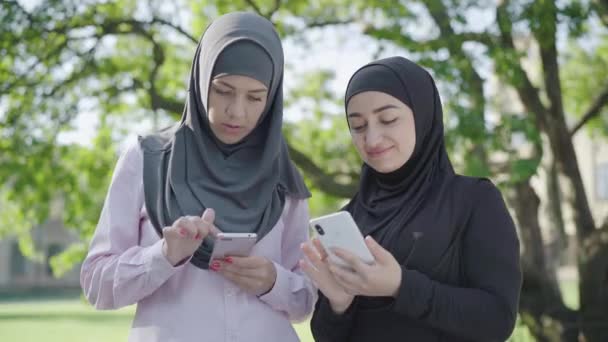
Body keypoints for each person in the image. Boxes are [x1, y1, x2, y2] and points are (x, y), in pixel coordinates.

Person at [80, 12, 315, 342]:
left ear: (272, 97)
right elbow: (96, 284)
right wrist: (163, 256)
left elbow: (307, 299)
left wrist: (273, 281)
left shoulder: (283, 177)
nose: (237, 111)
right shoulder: (146, 159)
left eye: (255, 97)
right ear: (202, 79)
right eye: (223, 90)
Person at [301, 56, 522, 341]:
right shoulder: (351, 217)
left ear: (422, 114)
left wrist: (401, 286)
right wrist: (338, 304)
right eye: (358, 126)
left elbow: (497, 319)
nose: (372, 138)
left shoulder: (474, 200)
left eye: (388, 119)